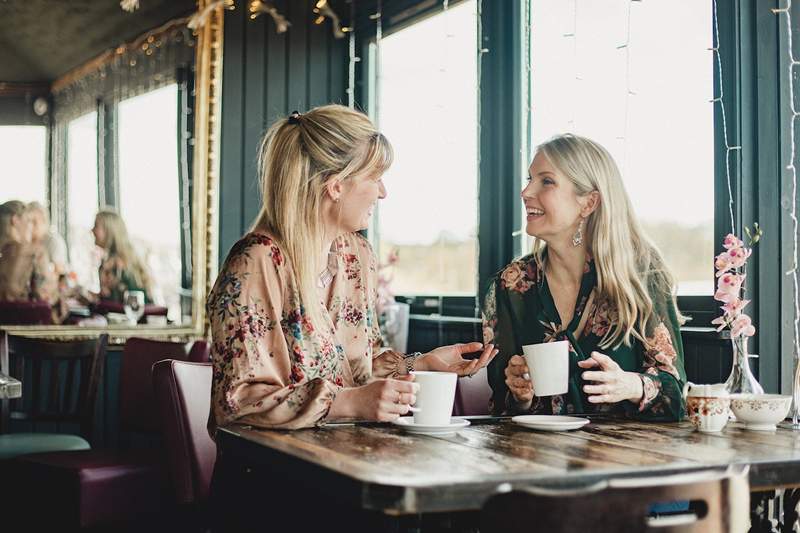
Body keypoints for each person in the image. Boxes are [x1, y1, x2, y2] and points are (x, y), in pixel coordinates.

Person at [207, 105, 496, 432]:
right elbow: (239, 401)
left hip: (348, 457)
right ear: (336, 185)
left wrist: (420, 363)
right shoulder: (256, 261)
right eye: (375, 178)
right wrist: (348, 403)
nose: (383, 192)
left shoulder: (356, 256)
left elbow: (357, 369)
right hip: (273, 468)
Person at [482, 134, 685, 421]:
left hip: (625, 458)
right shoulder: (511, 285)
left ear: (589, 203)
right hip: (540, 458)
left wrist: (632, 386)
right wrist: (519, 395)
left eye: (546, 181)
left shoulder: (641, 275)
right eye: (529, 179)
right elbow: (500, 407)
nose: (526, 192)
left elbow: (676, 397)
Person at [0, 200, 65, 323]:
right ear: (15, 220)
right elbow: (45, 295)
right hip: (22, 333)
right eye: (29, 221)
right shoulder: (34, 252)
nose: (32, 227)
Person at [91, 210, 154, 304]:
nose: (92, 230)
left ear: (109, 230)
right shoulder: (111, 259)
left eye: (96, 226)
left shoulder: (121, 262)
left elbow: (134, 301)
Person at [26, 202, 68, 276]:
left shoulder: (53, 241)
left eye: (34, 221)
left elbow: (60, 271)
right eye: (28, 221)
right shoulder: (26, 242)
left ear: (43, 220)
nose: (30, 225)